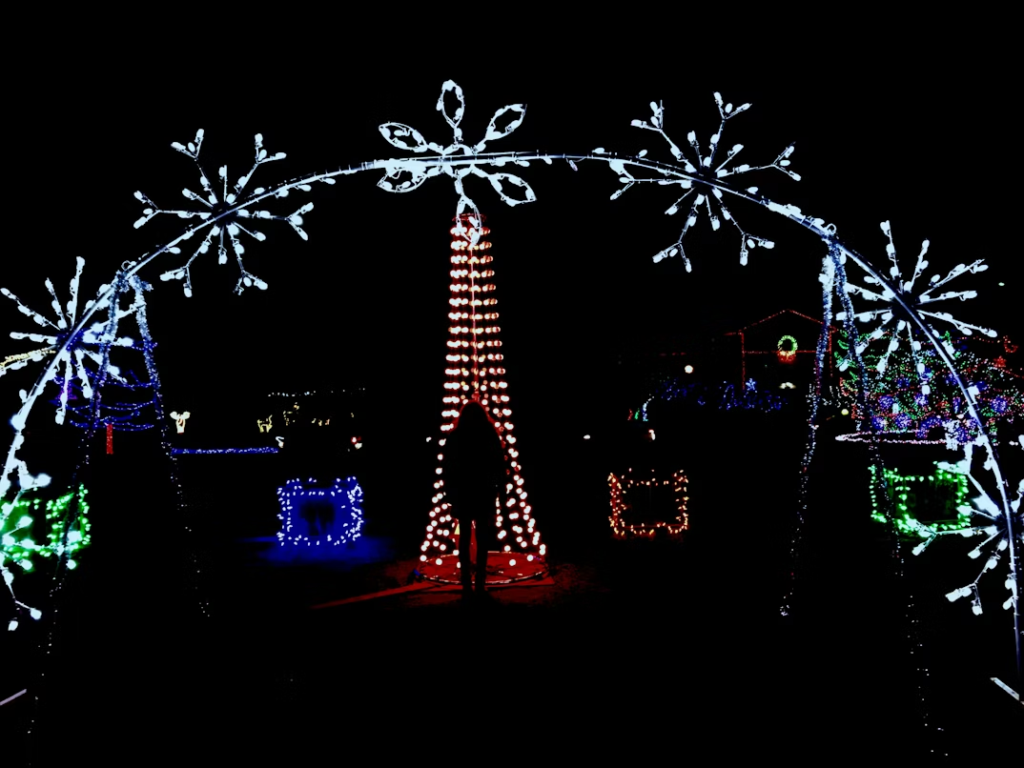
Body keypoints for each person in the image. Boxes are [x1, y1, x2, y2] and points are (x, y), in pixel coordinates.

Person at [443, 399, 507, 598]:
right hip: (483, 491)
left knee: (464, 539)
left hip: (463, 491)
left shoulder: (456, 437)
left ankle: (466, 584)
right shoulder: (488, 435)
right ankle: (479, 582)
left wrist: (450, 491)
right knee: (482, 537)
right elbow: (498, 463)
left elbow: (449, 467)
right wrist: (499, 487)